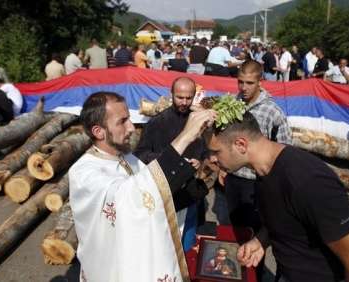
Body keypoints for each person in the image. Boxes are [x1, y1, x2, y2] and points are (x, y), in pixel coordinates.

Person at [205, 111, 349, 282]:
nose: (211, 159)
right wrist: (261, 240)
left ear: (241, 145)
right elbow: (288, 216)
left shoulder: (307, 180)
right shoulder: (263, 169)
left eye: (216, 151)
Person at [69, 91, 216, 282]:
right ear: (99, 131)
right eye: (122, 122)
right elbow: (130, 198)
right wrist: (186, 136)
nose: (131, 128)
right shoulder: (83, 174)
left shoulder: (128, 158)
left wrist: (200, 178)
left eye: (129, 119)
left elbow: (152, 196)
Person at [224, 60, 292, 281]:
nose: (243, 88)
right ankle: (238, 273)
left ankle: (255, 276)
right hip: (233, 181)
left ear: (260, 82)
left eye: (249, 83)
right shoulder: (233, 103)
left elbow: (284, 152)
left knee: (256, 237)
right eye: (240, 82)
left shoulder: (273, 112)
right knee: (236, 231)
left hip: (256, 184)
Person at [134, 77, 209, 252]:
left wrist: (201, 161)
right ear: (171, 94)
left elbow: (208, 152)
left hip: (190, 194)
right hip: (163, 194)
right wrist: (166, 159)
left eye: (188, 98)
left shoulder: (201, 123)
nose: (184, 102)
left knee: (186, 246)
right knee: (162, 246)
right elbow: (140, 153)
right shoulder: (157, 122)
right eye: (179, 97)